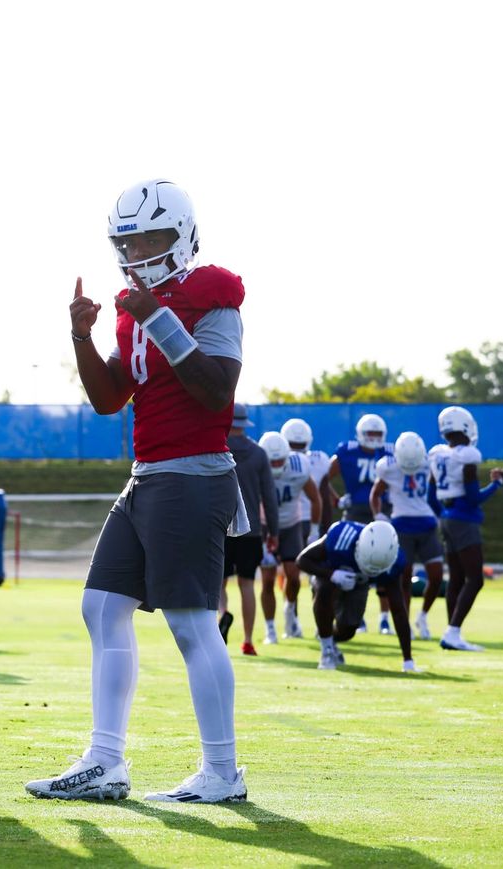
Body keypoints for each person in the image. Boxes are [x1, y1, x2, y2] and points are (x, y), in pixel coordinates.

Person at [26, 179, 247, 803]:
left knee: (192, 624)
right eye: (127, 238)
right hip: (148, 473)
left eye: (151, 235)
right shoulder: (131, 308)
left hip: (194, 472)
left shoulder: (214, 293)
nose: (138, 248)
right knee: (101, 607)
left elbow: (215, 391)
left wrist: (162, 319)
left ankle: (223, 772)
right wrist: (81, 336)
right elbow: (108, 400)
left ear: (182, 234)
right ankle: (105, 760)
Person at [429, 406, 502, 652]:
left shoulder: (438, 454)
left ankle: (452, 632)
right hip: (463, 518)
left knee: (457, 578)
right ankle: (453, 632)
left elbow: (431, 495)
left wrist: (444, 514)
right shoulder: (467, 455)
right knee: (475, 579)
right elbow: (473, 498)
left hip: (446, 518)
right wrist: (495, 485)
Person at [296, 519, 414, 671]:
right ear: (358, 546)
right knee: (325, 588)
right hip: (329, 574)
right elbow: (302, 560)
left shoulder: (394, 561)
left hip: (360, 584)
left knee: (348, 630)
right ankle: (327, 651)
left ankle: (328, 637)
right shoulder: (342, 536)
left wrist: (408, 660)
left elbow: (398, 610)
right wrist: (332, 574)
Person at [370, 432, 445, 641]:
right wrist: (379, 516)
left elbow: (437, 489)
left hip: (427, 523)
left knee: (437, 576)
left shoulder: (430, 461)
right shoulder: (388, 466)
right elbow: (375, 493)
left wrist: (439, 513)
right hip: (401, 525)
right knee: (404, 578)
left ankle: (422, 617)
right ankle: (406, 623)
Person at [218, 404, 277, 654]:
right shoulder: (259, 453)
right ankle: (248, 640)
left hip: (220, 527)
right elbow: (269, 496)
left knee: (217, 583)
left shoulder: (217, 449)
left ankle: (223, 614)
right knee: (247, 585)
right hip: (250, 530)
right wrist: (273, 531)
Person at [329, 413, 393, 633]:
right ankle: (358, 615)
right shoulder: (347, 452)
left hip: (382, 512)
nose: (374, 438)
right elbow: (323, 479)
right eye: (370, 433)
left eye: (378, 434)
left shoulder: (391, 452)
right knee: (351, 564)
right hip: (355, 512)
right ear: (360, 434)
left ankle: (384, 618)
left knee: (385, 563)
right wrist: (337, 500)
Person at [258, 431, 321, 645]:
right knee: (267, 581)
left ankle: (290, 610)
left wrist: (313, 530)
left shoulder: (299, 465)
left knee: (294, 577)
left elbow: (315, 498)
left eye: (279, 460)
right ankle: (270, 629)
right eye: (271, 460)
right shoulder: (256, 467)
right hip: (265, 527)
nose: (275, 464)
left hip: (291, 526)